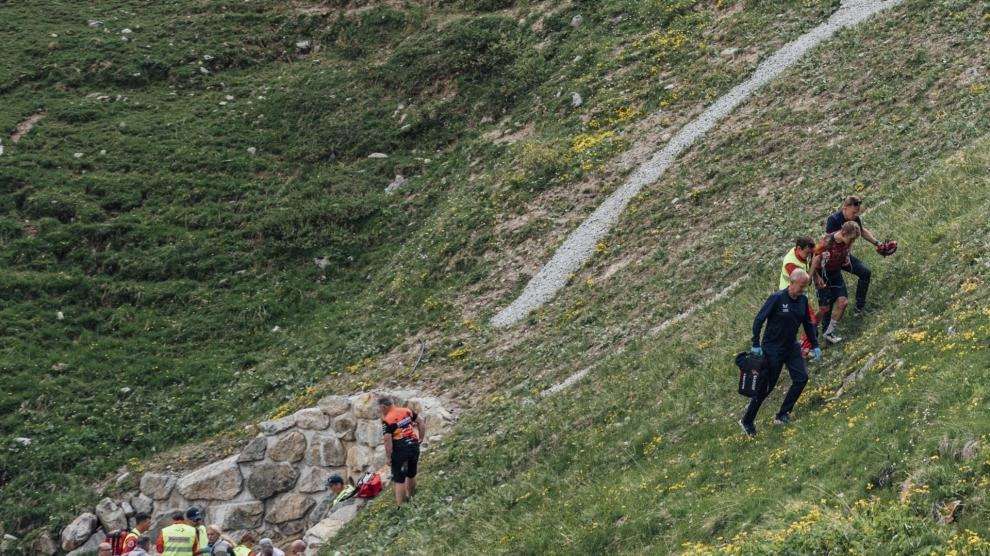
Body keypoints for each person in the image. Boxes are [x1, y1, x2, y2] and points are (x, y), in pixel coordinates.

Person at [739, 269, 821, 437]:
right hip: (772, 349)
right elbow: (759, 320)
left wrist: (815, 344)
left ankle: (783, 414)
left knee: (801, 378)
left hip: (791, 347)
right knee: (766, 387)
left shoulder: (803, 300)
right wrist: (755, 343)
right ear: (792, 283)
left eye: (805, 286)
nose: (803, 289)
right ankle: (747, 421)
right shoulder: (777, 298)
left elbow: (807, 323)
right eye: (801, 286)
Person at [824, 195, 890, 311]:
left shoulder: (854, 219)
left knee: (865, 272)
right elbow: (829, 242)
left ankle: (859, 307)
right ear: (845, 208)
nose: (856, 215)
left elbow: (862, 231)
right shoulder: (833, 220)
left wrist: (877, 243)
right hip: (830, 260)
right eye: (854, 212)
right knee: (830, 297)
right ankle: (827, 319)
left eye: (857, 212)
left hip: (844, 256)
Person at [812, 220, 861, 343]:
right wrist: (816, 277)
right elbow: (812, 260)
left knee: (843, 302)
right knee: (825, 308)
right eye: (851, 239)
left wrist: (846, 257)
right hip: (822, 275)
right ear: (843, 233)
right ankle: (809, 333)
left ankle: (829, 333)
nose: (852, 242)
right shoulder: (826, 242)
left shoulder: (848, 240)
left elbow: (847, 248)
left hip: (835, 273)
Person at [380, 395, 426, 506]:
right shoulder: (406, 411)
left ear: (383, 407)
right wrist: (421, 438)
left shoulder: (387, 420)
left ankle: (401, 507)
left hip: (400, 450)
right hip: (413, 446)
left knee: (399, 479)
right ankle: (412, 498)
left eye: (380, 408)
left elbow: (387, 439)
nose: (380, 411)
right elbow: (421, 422)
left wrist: (388, 457)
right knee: (411, 474)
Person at [779, 236, 818, 357]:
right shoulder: (790, 263)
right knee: (808, 321)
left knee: (808, 320)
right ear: (799, 248)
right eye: (807, 253)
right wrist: (813, 266)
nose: (808, 256)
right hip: (790, 297)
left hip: (798, 294)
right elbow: (805, 282)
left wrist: (817, 276)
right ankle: (803, 350)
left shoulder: (800, 251)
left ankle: (803, 349)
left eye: (810, 253)